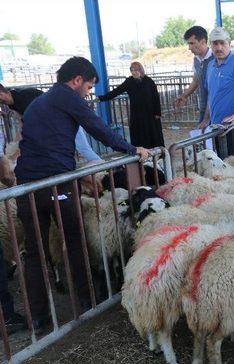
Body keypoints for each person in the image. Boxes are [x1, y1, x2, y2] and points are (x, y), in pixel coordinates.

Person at [14, 57, 150, 331]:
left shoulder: (38, 103)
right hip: (55, 182)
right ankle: (88, 302)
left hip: (26, 185)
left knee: (35, 250)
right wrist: (131, 149)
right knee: (74, 238)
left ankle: (39, 319)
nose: (88, 92)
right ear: (77, 81)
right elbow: (96, 127)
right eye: (88, 86)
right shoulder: (67, 97)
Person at [0, 83, 102, 166]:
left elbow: (29, 128)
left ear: (2, 93)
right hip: (54, 126)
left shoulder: (24, 98)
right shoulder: (13, 104)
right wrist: (16, 145)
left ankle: (104, 169)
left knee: (83, 148)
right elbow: (23, 126)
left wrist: (16, 154)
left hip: (65, 120)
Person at [202, 27, 234, 157]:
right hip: (217, 125)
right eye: (215, 43)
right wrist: (206, 119)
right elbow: (212, 94)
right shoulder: (210, 66)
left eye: (222, 43)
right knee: (222, 162)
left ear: (229, 44)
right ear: (211, 45)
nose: (219, 47)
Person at [98, 62, 164, 149]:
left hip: (150, 113)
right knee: (139, 134)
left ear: (141, 70)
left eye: (136, 70)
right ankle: (141, 153)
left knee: (152, 133)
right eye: (132, 70)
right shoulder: (129, 82)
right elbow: (117, 91)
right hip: (137, 113)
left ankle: (157, 152)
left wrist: (157, 113)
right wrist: (102, 98)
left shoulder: (149, 81)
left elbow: (156, 97)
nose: (134, 72)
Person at [175, 26, 214, 124]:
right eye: (188, 44)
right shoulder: (196, 60)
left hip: (218, 109)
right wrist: (184, 95)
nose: (189, 48)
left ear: (203, 41)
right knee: (206, 137)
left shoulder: (216, 59)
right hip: (204, 107)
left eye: (192, 43)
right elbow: (196, 80)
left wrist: (206, 119)